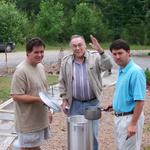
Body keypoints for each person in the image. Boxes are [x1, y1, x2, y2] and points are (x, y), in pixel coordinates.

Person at [59, 34, 112, 150]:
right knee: (75, 136)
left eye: (80, 45)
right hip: (75, 104)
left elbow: (109, 65)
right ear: (71, 47)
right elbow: (62, 82)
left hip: (92, 104)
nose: (77, 48)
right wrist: (64, 99)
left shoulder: (95, 57)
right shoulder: (66, 61)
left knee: (92, 135)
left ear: (84, 45)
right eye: (74, 46)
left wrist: (101, 51)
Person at [11, 37, 52, 150]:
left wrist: (49, 110)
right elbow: (16, 96)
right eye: (36, 52)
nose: (40, 55)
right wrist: (39, 99)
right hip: (28, 123)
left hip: (39, 120)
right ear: (28, 53)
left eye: (42, 52)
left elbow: (44, 91)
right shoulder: (21, 71)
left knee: (35, 147)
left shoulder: (40, 66)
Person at [105, 39, 146, 150]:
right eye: (114, 54)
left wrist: (133, 124)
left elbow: (139, 100)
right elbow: (125, 94)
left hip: (130, 118)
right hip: (120, 117)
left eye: (120, 53)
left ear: (128, 52)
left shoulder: (135, 72)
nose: (117, 57)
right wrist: (115, 105)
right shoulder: (122, 69)